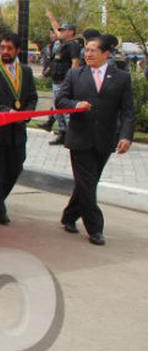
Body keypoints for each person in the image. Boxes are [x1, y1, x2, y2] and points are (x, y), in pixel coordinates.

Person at [55, 35, 134, 245]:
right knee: (87, 183)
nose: (87, 54)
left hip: (105, 139)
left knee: (87, 183)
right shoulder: (75, 74)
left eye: (93, 50)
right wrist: (75, 104)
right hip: (80, 138)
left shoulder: (121, 77)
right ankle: (95, 228)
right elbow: (60, 100)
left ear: (106, 53)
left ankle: (69, 215)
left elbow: (127, 110)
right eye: (86, 50)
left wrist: (126, 136)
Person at [0, 33, 39, 225]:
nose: (5, 51)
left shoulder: (26, 71)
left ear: (17, 50)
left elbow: (32, 97)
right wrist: (8, 112)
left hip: (17, 131)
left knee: (16, 167)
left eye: (9, 48)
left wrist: (26, 113)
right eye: (3, 47)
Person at [43, 14, 83, 145]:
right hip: (57, 80)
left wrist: (70, 81)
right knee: (57, 109)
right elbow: (56, 30)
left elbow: (75, 63)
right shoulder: (63, 44)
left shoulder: (73, 45)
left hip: (64, 82)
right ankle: (62, 133)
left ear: (71, 32)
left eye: (64, 30)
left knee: (65, 111)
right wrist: (51, 18)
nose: (61, 32)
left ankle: (72, 136)